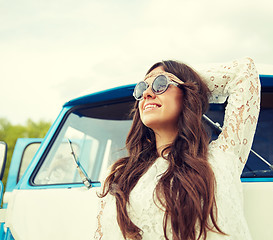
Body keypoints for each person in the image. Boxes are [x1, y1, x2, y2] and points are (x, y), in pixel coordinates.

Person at [94, 57, 260, 240]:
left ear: (188, 94)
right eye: (142, 88)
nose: (147, 93)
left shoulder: (223, 156)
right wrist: (164, 80)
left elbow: (244, 71)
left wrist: (188, 79)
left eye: (160, 83)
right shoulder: (119, 174)